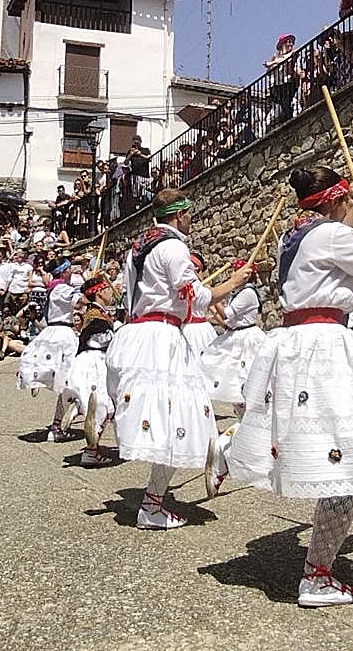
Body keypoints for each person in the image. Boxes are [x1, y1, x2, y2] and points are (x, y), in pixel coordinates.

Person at [220, 168, 353, 607]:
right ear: (334, 202)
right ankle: (316, 577)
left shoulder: (293, 235)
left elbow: (336, 243)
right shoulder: (333, 234)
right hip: (326, 349)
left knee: (322, 450)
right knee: (345, 461)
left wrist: (347, 207)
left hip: (293, 342)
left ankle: (230, 450)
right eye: (348, 202)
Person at [105, 188, 251, 530]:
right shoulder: (173, 247)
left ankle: (152, 502)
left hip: (137, 334)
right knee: (177, 421)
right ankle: (152, 506)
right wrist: (234, 281)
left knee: (163, 420)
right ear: (180, 215)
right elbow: (196, 298)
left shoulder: (139, 248)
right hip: (161, 339)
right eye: (189, 215)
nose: (190, 220)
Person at [53, 272, 118, 466]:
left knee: (94, 400)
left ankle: (74, 411)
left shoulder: (95, 312)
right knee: (105, 404)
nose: (111, 293)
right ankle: (91, 451)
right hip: (95, 361)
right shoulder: (96, 315)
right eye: (107, 289)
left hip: (85, 360)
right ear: (99, 293)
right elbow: (97, 340)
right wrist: (122, 334)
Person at [16, 259, 82, 440]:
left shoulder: (54, 288)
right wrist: (91, 286)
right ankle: (62, 423)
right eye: (69, 270)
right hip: (63, 333)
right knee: (71, 377)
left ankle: (57, 423)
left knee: (63, 378)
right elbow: (80, 303)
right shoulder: (63, 289)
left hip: (52, 331)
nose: (72, 273)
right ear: (64, 272)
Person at [198, 259, 265, 421]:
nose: (232, 274)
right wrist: (211, 304)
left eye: (235, 272)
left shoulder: (248, 293)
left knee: (244, 379)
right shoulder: (240, 293)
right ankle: (242, 417)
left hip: (247, 339)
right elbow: (227, 321)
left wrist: (212, 294)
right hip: (236, 336)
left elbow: (228, 313)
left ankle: (249, 419)